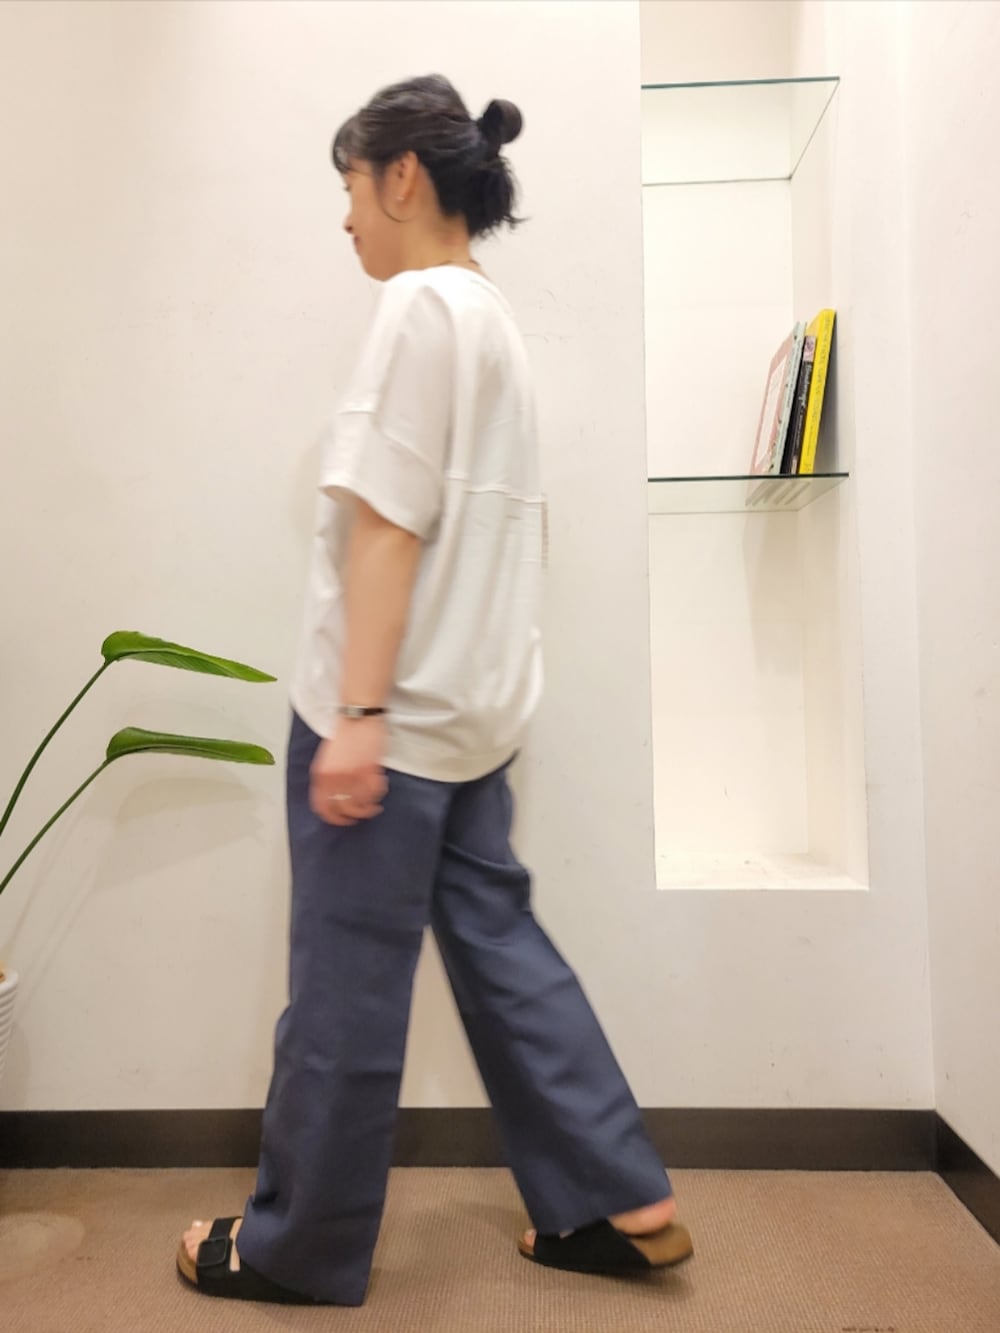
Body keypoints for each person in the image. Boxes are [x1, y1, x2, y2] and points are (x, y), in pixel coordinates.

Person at [176, 73, 693, 1307]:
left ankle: (295, 1245)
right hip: (472, 720)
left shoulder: (415, 310)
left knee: (342, 996)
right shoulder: (493, 321)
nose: (346, 216)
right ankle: (622, 1199)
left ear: (402, 177)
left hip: (391, 723)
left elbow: (388, 525)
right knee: (505, 954)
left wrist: (356, 719)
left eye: (351, 187)